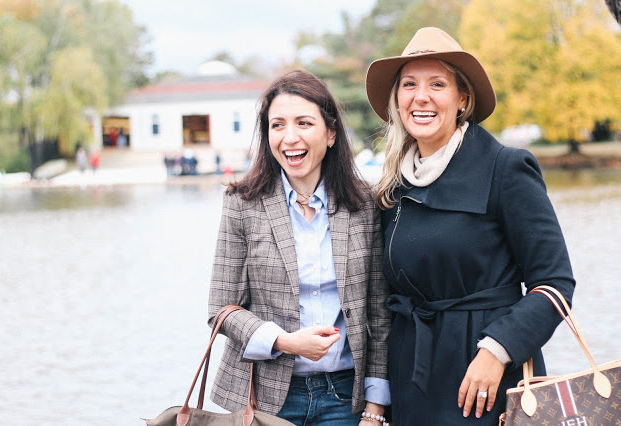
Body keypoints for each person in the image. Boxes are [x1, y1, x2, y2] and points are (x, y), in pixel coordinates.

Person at [365, 27, 575, 424]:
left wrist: (498, 351)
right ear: (396, 99)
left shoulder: (505, 168)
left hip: (485, 378)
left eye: (437, 84)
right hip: (412, 379)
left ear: (462, 98)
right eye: (408, 84)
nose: (420, 97)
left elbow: (556, 284)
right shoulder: (392, 187)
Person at [208, 69, 391, 426]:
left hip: (345, 398)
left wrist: (375, 408)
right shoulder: (242, 204)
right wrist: (284, 341)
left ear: (331, 133)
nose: (289, 137)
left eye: (304, 123)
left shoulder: (364, 204)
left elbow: (379, 314)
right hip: (264, 398)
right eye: (277, 125)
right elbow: (220, 310)